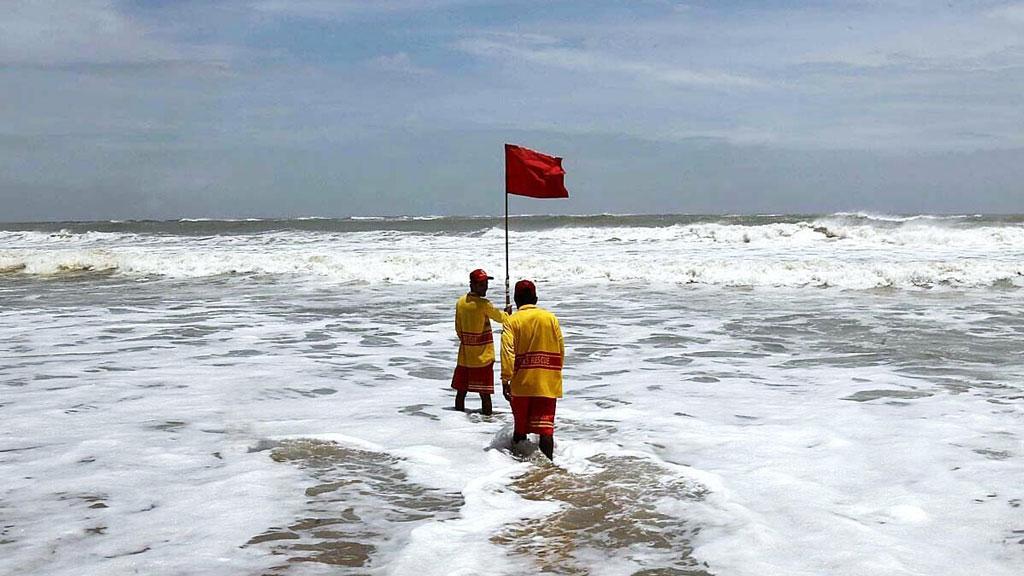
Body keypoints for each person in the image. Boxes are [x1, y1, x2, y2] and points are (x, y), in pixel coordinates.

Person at [501, 279, 564, 461]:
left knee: (520, 429)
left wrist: (506, 380)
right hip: (547, 382)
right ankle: (549, 469)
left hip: (522, 383)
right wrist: (554, 373)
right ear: (536, 298)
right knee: (546, 430)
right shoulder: (551, 318)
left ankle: (516, 468)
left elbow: (507, 352)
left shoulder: (512, 321)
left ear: (515, 299)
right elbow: (561, 350)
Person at [452, 268, 511, 415]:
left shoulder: (460, 303)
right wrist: (508, 313)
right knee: (485, 395)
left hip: (465, 357)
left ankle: (456, 421)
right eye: (481, 284)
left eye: (485, 284)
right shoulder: (484, 304)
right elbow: (503, 319)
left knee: (461, 393)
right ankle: (486, 422)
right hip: (483, 358)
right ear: (472, 285)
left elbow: (458, 329)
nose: (485, 287)